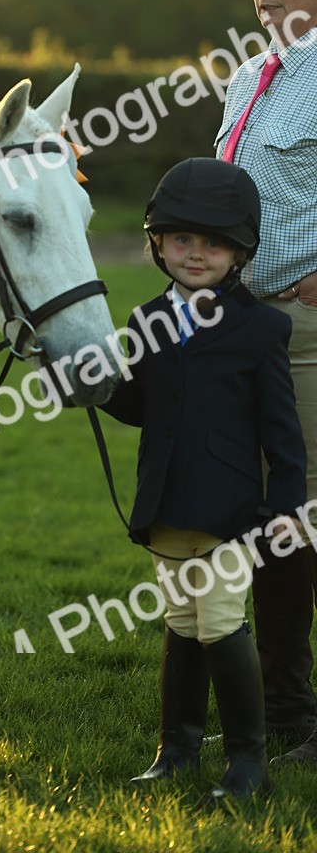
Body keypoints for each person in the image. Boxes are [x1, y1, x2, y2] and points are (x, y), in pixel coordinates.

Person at [100, 158, 306, 800]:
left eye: (214, 243)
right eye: (183, 239)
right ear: (157, 241)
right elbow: (140, 406)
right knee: (182, 621)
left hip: (228, 509)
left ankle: (249, 763)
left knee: (219, 621)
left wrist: (285, 509)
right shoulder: (145, 320)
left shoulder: (261, 328)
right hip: (166, 501)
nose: (197, 254)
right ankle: (177, 750)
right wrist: (93, 386)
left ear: (241, 253)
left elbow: (283, 433)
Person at [215, 0, 317, 764]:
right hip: (241, 329)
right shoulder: (251, 75)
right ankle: (277, 712)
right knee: (254, 522)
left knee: (301, 521)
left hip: (309, 332)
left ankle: (296, 718)